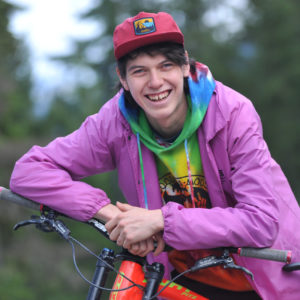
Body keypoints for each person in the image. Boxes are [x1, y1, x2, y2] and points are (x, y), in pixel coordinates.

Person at [9, 11, 300, 300]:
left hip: (264, 278)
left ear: (185, 65)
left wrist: (161, 220)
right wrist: (107, 212)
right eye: (139, 71)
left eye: (166, 65)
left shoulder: (233, 113)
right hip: (181, 282)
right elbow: (29, 171)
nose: (156, 81)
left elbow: (260, 222)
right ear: (122, 78)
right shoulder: (116, 122)